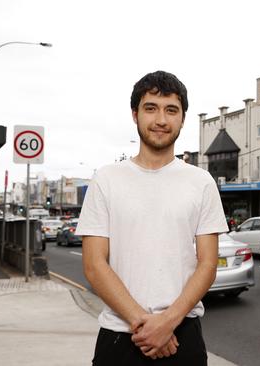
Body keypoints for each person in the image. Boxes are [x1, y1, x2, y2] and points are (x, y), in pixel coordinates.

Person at [77, 71, 228, 366]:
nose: (161, 119)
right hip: (119, 335)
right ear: (135, 114)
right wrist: (145, 325)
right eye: (151, 108)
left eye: (171, 110)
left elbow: (208, 264)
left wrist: (168, 322)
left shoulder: (202, 182)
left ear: (182, 119)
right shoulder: (106, 179)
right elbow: (94, 265)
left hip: (183, 336)